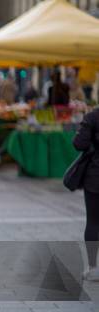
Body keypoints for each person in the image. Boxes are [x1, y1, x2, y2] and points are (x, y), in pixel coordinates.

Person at [73, 107, 99, 281]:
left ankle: (93, 268)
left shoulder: (92, 117)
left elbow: (79, 144)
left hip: (95, 177)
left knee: (93, 222)